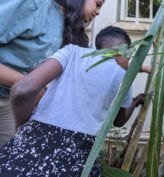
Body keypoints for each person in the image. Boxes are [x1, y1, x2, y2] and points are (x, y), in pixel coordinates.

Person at [0, 26, 149, 176]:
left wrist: (22, 127)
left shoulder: (71, 52)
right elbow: (119, 120)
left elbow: (21, 90)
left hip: (35, 135)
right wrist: (135, 102)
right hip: (79, 148)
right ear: (124, 51)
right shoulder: (123, 75)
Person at [0, 0, 105, 146]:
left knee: (9, 156)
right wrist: (30, 84)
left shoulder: (63, 27)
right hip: (10, 93)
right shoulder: (34, 0)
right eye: (97, 4)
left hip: (6, 98)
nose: (98, 12)